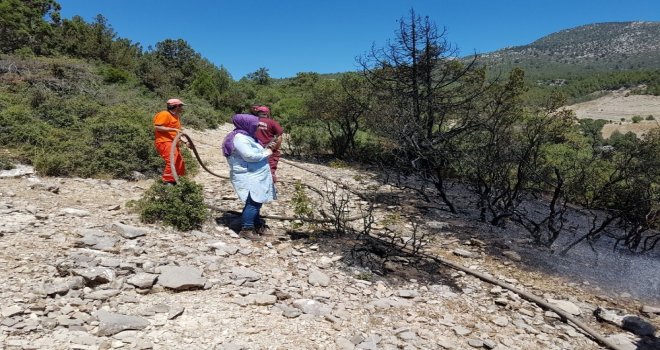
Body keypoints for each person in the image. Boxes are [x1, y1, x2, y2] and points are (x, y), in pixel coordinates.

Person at [222, 114, 277, 239]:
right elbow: (249, 156)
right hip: (249, 175)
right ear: (246, 125)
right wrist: (267, 152)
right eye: (255, 125)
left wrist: (265, 149)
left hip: (255, 174)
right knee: (253, 202)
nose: (257, 128)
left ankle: (256, 224)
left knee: (257, 201)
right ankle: (246, 229)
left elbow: (254, 152)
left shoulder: (247, 136)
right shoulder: (240, 138)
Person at [153, 98, 188, 185]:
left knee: (180, 162)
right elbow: (157, 127)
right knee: (172, 160)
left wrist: (186, 142)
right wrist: (173, 129)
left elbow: (177, 133)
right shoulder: (164, 114)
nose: (182, 108)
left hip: (173, 143)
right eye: (181, 106)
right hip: (164, 141)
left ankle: (177, 181)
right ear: (176, 106)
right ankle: (167, 182)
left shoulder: (176, 117)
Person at [252, 105, 283, 182]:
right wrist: (275, 149)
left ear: (258, 113)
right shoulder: (272, 123)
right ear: (267, 113)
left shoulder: (252, 121)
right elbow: (279, 136)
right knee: (271, 164)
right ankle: (270, 178)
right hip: (268, 148)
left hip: (253, 147)